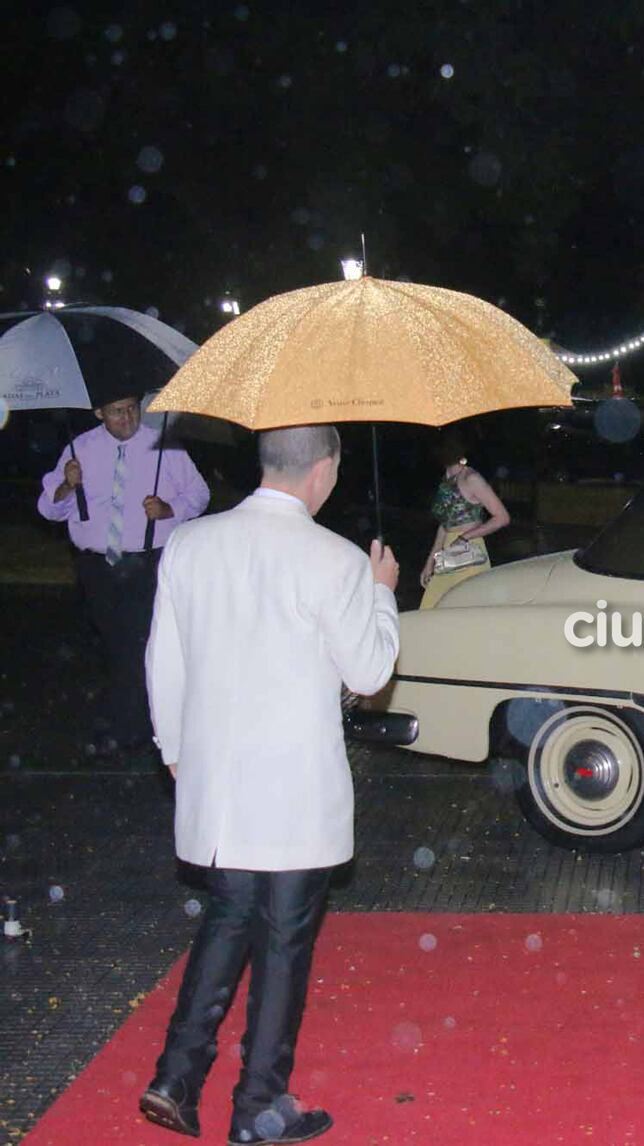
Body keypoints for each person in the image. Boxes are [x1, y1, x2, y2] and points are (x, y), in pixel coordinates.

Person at [139, 424, 400, 1146]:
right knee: (283, 940)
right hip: (293, 786)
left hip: (217, 779)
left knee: (227, 920)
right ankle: (258, 1105)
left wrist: (175, 754)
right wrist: (382, 595)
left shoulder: (190, 544)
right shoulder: (336, 560)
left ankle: (175, 1075)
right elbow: (371, 673)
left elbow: (164, 660)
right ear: (325, 468)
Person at [37, 394, 210, 750]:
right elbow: (48, 509)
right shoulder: (80, 448)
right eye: (117, 411)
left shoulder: (164, 448)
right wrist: (67, 485)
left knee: (136, 644)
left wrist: (168, 508)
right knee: (118, 646)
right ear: (99, 413)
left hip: (146, 562)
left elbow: (200, 495)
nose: (127, 417)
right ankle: (137, 723)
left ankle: (129, 730)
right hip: (97, 565)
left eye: (132, 408)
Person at [418, 432, 509, 609]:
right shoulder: (447, 478)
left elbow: (502, 517)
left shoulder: (471, 478)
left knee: (464, 608)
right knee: (433, 607)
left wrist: (465, 537)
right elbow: (445, 525)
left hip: (469, 551)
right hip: (448, 548)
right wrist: (430, 562)